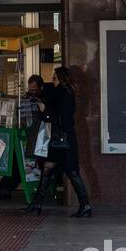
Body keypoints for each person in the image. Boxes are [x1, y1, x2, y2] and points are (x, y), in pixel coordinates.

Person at [24, 67, 93, 217]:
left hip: (64, 140)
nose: (52, 80)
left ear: (61, 79)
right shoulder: (60, 93)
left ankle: (85, 204)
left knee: (72, 172)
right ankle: (37, 203)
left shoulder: (64, 95)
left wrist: (45, 110)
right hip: (59, 140)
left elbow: (60, 118)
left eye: (54, 78)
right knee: (48, 169)